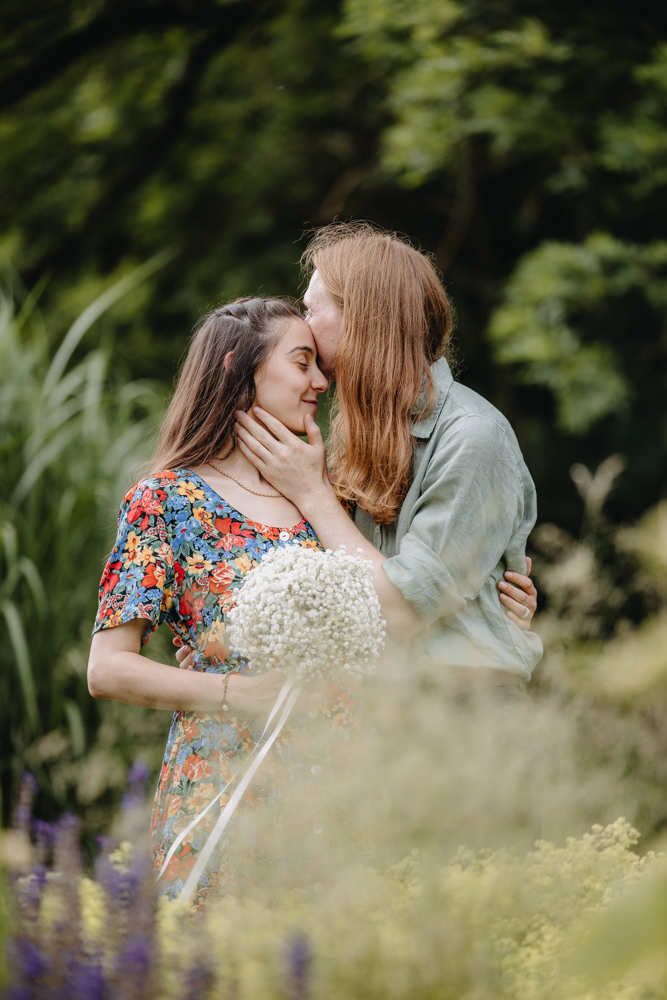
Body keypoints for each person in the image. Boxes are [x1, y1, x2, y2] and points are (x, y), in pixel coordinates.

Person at [234, 222, 542, 700]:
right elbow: (324, 582)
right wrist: (221, 638)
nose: (302, 325)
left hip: (464, 710)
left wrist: (312, 493)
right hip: (380, 715)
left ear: (365, 318)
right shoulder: (352, 434)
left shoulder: (473, 436)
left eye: (313, 309)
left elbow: (400, 609)